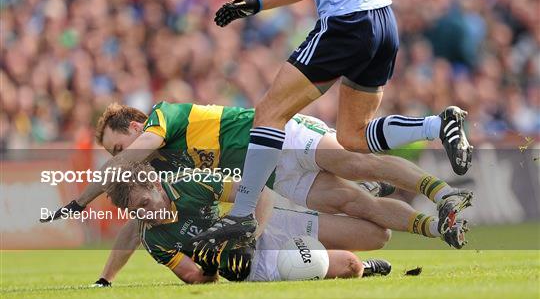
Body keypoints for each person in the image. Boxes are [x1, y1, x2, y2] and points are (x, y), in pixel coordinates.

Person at [199, 0, 491, 244]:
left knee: (269, 113)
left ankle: (242, 215)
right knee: (353, 136)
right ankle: (439, 125)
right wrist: (256, 4)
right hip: (380, 21)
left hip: (348, 22)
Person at [43, 101, 472, 253]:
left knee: (354, 162)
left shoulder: (162, 117)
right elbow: (136, 214)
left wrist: (81, 198)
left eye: (117, 145)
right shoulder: (160, 168)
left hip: (280, 135)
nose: (120, 156)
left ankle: (443, 192)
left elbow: (121, 166)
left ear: (134, 128)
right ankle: (439, 226)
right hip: (275, 176)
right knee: (355, 205)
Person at [100, 160, 393, 285]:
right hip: (252, 265)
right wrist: (212, 266)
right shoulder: (153, 239)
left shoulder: (191, 183)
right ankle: (366, 268)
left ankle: (360, 193)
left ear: (154, 184)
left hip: (264, 223)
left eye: (145, 205)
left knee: (378, 235)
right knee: (351, 265)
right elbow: (193, 276)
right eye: (135, 213)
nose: (145, 215)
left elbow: (260, 192)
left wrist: (250, 236)